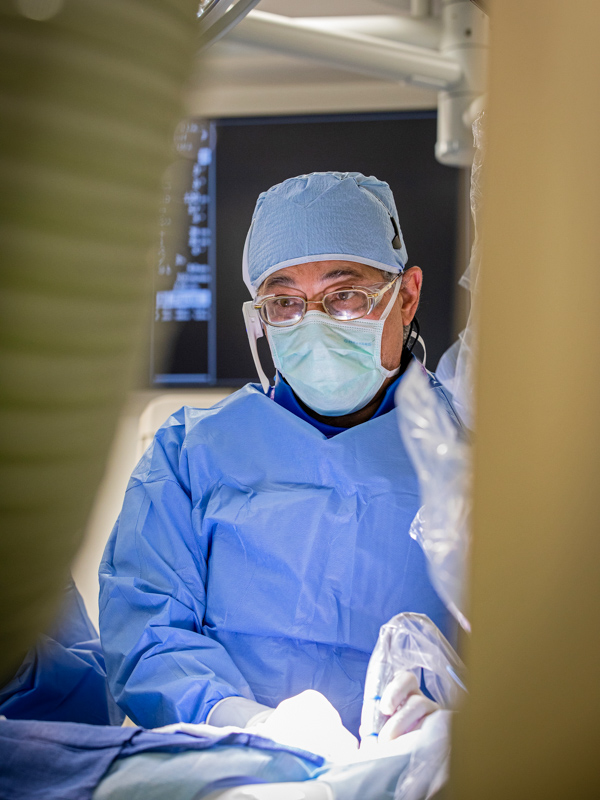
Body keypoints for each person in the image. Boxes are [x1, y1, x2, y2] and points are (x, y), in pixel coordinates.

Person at [99, 171, 460, 743]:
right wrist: (246, 723)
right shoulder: (189, 455)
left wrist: (458, 725)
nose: (312, 322)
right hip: (235, 769)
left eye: (345, 295)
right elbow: (146, 633)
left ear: (407, 295)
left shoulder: (472, 458)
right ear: (260, 317)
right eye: (284, 301)